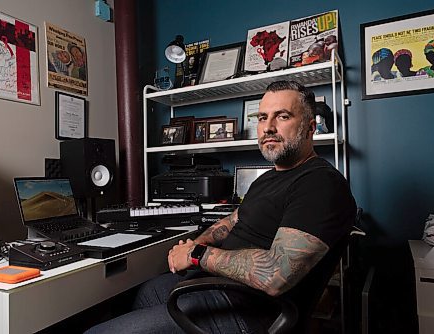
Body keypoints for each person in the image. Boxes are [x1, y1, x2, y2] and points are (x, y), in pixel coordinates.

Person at [85, 80, 356, 334]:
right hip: (219, 285)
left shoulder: (321, 183)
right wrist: (196, 241)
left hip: (246, 312)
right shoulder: (270, 178)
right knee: (148, 291)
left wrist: (195, 255)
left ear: (310, 127)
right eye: (263, 117)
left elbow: (277, 274)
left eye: (282, 116)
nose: (268, 127)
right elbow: (235, 220)